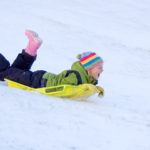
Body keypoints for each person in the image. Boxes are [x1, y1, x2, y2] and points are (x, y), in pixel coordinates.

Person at [0, 30, 104, 97]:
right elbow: (65, 87)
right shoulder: (77, 77)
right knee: (5, 72)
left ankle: (32, 47)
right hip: (38, 82)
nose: (102, 70)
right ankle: (32, 47)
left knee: (17, 71)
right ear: (89, 68)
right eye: (99, 67)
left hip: (40, 79)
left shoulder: (82, 76)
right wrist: (82, 87)